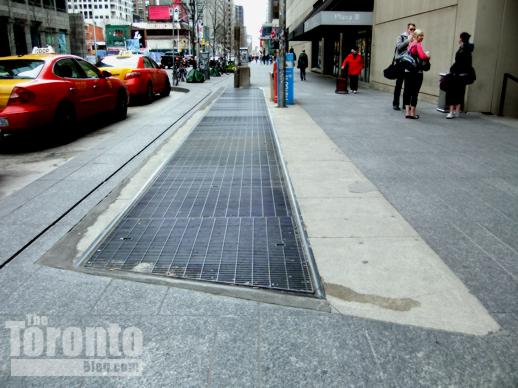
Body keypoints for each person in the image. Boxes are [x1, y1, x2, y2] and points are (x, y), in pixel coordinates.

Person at [446, 32, 475, 119]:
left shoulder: (463, 49)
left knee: (452, 92)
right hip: (463, 75)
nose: (458, 39)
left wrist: (452, 71)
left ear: (462, 39)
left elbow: (459, 62)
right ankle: (457, 111)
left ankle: (451, 112)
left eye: (460, 38)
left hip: (457, 74)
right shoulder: (467, 49)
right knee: (460, 92)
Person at [403, 29, 430, 119]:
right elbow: (422, 56)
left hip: (408, 72)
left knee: (407, 92)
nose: (422, 37)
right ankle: (412, 113)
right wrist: (428, 56)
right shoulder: (418, 44)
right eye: (420, 35)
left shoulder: (410, 45)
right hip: (416, 73)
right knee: (414, 93)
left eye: (422, 35)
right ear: (416, 36)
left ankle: (407, 112)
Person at [393, 23, 416, 110]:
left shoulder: (415, 39)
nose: (412, 31)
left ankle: (405, 104)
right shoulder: (401, 36)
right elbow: (399, 47)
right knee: (399, 84)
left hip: (409, 64)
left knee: (408, 86)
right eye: (411, 29)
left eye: (414, 29)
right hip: (401, 63)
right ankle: (395, 103)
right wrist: (408, 40)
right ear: (407, 29)